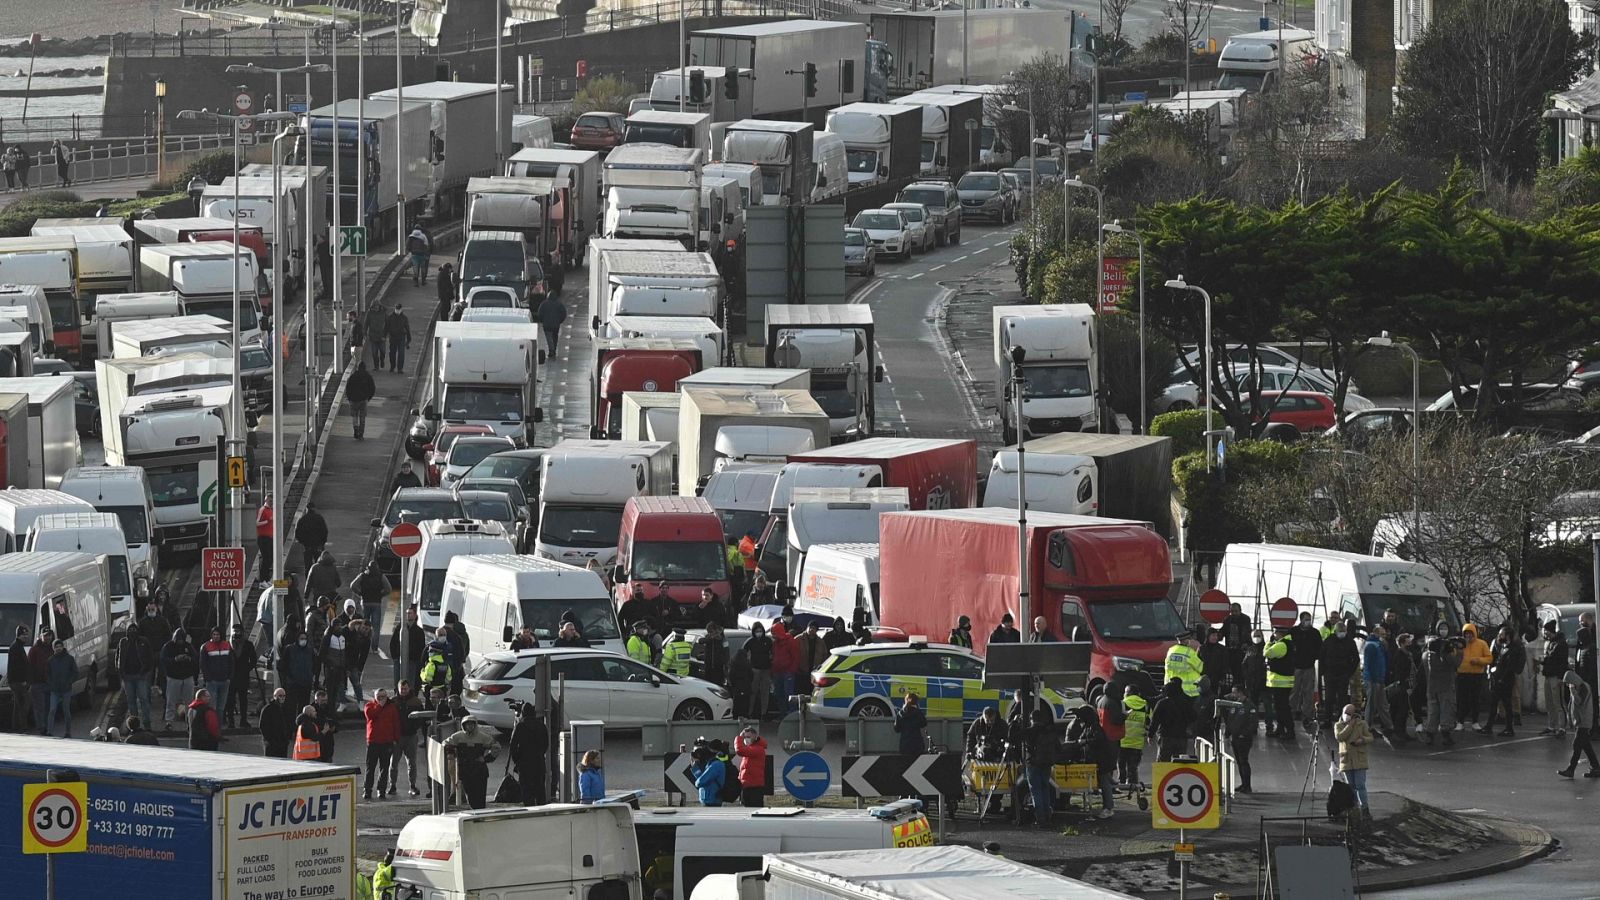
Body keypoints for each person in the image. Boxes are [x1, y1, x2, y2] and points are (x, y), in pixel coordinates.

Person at [1484, 625, 1526, 737]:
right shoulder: (1503, 647)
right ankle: (1490, 726)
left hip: (1505, 680)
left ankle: (1509, 728)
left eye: (1501, 634)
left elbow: (1509, 667)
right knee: (1495, 703)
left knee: (1507, 704)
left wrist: (1502, 678)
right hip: (1499, 678)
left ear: (1507, 636)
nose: (1499, 636)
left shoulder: (1512, 649)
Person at [1319, 619, 1360, 730]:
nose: (1342, 633)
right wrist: (1323, 672)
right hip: (1330, 674)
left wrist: (1349, 672)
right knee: (1329, 698)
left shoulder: (1350, 642)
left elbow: (1355, 659)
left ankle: (1342, 720)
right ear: (1336, 631)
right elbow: (1322, 657)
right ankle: (1327, 719)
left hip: (1343, 674)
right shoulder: (1328, 641)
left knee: (1342, 699)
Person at [1558, 669, 1600, 778]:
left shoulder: (1583, 687)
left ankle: (1571, 769)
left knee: (1576, 744)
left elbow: (1579, 702)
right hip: (1581, 721)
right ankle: (1596, 767)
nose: (1568, 685)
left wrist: (1573, 692)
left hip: (1584, 721)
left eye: (1568, 683)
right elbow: (1572, 707)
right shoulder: (1578, 687)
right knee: (1586, 746)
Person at [1334, 703, 1373, 816]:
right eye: (1345, 713)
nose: (1347, 715)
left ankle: (1365, 808)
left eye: (1349, 714)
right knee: (1350, 787)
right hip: (1346, 760)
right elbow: (1340, 737)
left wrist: (1363, 740)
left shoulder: (1362, 724)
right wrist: (1349, 726)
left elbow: (1370, 737)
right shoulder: (1338, 725)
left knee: (1360, 785)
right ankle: (1354, 807)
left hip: (1359, 759)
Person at [1021, 708, 1058, 825]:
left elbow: (1012, 737)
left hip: (1033, 764)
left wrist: (1015, 723)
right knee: (1045, 789)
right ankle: (1048, 816)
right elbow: (1059, 747)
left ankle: (1040, 819)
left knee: (1035, 791)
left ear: (1031, 719)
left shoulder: (1029, 731)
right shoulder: (1050, 731)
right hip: (1046, 764)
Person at [117, 625, 156, 732]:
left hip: (141, 676)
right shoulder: (123, 642)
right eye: (130, 630)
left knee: (144, 700)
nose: (132, 632)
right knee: (131, 701)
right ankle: (133, 726)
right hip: (127, 677)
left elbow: (150, 657)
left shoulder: (144, 641)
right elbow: (118, 657)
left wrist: (147, 672)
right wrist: (121, 672)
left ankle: (147, 725)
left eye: (134, 630)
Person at [509, 703, 550, 805]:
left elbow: (513, 746)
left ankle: (529, 810)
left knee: (526, 791)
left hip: (524, 763)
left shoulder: (520, 726)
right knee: (540, 790)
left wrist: (517, 760)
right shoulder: (541, 726)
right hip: (539, 762)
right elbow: (546, 744)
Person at [363, 689, 400, 800]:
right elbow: (371, 715)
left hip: (387, 742)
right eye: (378, 697)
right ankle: (367, 790)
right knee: (370, 767)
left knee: (384, 768)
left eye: (383, 696)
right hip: (373, 742)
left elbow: (396, 724)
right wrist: (379, 705)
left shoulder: (392, 708)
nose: (381, 699)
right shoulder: (369, 706)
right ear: (375, 697)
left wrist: (396, 739)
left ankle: (381, 790)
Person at [391, 680, 426, 797]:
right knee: (393, 763)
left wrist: (414, 727)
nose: (404, 691)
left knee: (412, 763)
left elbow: (421, 717)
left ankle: (412, 785)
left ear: (409, 688)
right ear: (398, 688)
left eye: (405, 689)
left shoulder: (416, 701)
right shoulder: (393, 701)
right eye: (402, 689)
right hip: (397, 737)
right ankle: (392, 785)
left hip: (411, 736)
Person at [1290, 612, 1323, 731]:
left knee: (1308, 692)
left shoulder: (1314, 633)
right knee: (1294, 691)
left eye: (1310, 619)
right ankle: (1292, 713)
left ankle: (1307, 716)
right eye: (1306, 619)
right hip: (1296, 666)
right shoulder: (1293, 632)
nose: (1308, 621)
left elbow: (1320, 648)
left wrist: (1314, 656)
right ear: (1301, 620)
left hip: (1309, 666)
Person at [159, 628, 197, 731]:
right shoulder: (168, 647)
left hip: (187, 677)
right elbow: (163, 660)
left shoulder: (188, 646)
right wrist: (175, 659)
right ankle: (169, 722)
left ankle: (189, 722)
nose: (180, 641)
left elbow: (195, 658)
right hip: (173, 677)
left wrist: (188, 659)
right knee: (171, 701)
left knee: (189, 702)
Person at [1456, 623, 1492, 729]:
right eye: (1466, 634)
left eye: (1470, 634)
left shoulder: (1482, 644)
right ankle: (1460, 721)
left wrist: (1478, 660)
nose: (1468, 636)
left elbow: (1489, 658)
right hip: (1462, 674)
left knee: (1475, 699)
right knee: (1461, 699)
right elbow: (1454, 656)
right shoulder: (1459, 644)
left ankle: (1475, 721)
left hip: (1476, 675)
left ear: (1474, 633)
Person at [1150, 678, 1196, 762]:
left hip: (1165, 736)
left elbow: (1155, 720)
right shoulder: (1186, 701)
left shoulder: (1162, 703)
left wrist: (1150, 734)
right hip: (1181, 736)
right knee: (1179, 762)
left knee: (1163, 762)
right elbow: (1193, 717)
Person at [1223, 684, 1258, 792]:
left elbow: (1253, 723)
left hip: (1243, 739)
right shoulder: (1234, 705)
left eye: (1234, 692)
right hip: (1235, 738)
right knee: (1239, 761)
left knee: (1243, 761)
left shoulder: (1249, 706)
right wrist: (1227, 734)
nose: (1232, 694)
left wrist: (1244, 734)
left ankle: (1247, 786)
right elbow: (1230, 720)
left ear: (1240, 692)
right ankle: (1243, 784)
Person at [1264, 626, 1297, 739]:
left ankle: (1289, 730)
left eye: (1275, 633)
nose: (1274, 635)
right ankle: (1281, 728)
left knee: (1282, 707)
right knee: (1280, 707)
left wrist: (1269, 642)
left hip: (1281, 682)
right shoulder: (1288, 643)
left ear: (1279, 634)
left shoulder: (1281, 644)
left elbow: (1267, 653)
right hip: (1283, 682)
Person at [1361, 626, 1393, 739]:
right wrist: (1374, 678)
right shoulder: (1371, 646)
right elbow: (1368, 665)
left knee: (1382, 703)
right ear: (1377, 634)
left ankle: (1388, 725)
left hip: (1379, 678)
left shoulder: (1379, 645)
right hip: (1373, 680)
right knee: (1372, 704)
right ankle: (1367, 727)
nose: (1384, 637)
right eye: (1382, 634)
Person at [1542, 620, 1571, 737]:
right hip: (1548, 675)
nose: (1544, 633)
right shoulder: (1550, 643)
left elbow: (1562, 662)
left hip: (1555, 676)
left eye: (1545, 631)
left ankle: (1562, 727)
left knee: (1558, 702)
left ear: (1550, 631)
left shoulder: (1561, 644)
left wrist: (1560, 678)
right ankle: (1552, 726)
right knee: (1549, 703)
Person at [44, 639, 78, 737]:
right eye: (56, 647)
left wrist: (69, 682)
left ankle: (68, 732)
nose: (58, 648)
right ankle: (49, 732)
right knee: (52, 710)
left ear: (63, 647)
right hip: (54, 690)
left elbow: (75, 673)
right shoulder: (50, 660)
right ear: (53, 648)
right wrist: (50, 684)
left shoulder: (69, 659)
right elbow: (47, 674)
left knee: (66, 711)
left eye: (60, 646)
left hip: (66, 690)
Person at [227, 623, 258, 728]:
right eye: (234, 631)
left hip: (243, 676)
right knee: (230, 700)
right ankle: (230, 721)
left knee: (243, 699)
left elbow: (253, 659)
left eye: (238, 631)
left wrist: (247, 668)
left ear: (242, 632)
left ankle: (243, 720)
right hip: (231, 676)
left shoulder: (248, 645)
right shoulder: (228, 645)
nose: (236, 633)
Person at [1163, 631, 1203, 704]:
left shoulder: (1171, 651)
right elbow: (1201, 668)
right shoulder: (1189, 653)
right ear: (1186, 641)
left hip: (1172, 690)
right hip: (1189, 692)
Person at [1118, 691, 1148, 786]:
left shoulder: (1122, 704)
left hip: (1122, 741)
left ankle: (1121, 785)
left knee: (1121, 766)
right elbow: (1149, 722)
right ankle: (1133, 786)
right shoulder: (1145, 705)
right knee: (1133, 767)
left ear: (1126, 693)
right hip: (1137, 742)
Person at [745, 621, 774, 720]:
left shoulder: (768, 641)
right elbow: (743, 653)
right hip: (755, 669)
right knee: (752, 692)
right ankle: (750, 713)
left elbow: (773, 653)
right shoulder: (750, 641)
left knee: (765, 692)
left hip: (766, 670)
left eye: (760, 631)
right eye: (757, 631)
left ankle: (764, 713)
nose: (759, 633)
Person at [734, 725, 768, 807]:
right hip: (747, 785)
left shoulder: (758, 749)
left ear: (755, 737)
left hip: (754, 787)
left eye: (748, 737)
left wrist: (739, 738)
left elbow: (739, 750)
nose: (746, 739)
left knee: (754, 810)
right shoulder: (750, 748)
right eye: (745, 737)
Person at [770, 621, 800, 714]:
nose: (773, 636)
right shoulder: (776, 643)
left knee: (788, 694)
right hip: (778, 672)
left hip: (788, 672)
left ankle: (791, 714)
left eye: (774, 633)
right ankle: (782, 713)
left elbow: (796, 657)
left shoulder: (790, 641)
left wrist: (791, 670)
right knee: (779, 694)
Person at [260, 687, 294, 757]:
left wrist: (287, 739)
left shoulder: (285, 708)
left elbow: (289, 724)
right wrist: (270, 740)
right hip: (271, 744)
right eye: (280, 696)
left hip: (283, 744)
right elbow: (263, 726)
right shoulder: (268, 709)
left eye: (284, 696)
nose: (282, 698)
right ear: (274, 696)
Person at [7, 626, 30, 733]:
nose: (26, 637)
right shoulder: (16, 647)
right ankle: (21, 727)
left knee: (19, 704)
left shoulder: (18, 646)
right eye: (23, 635)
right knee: (22, 705)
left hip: (16, 681)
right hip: (17, 682)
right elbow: (17, 667)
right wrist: (23, 680)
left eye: (26, 635)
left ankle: (18, 727)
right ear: (18, 635)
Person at [346, 617, 373, 704]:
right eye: (364, 628)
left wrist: (360, 670)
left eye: (367, 630)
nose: (365, 631)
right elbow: (349, 626)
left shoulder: (367, 640)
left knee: (356, 683)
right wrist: (357, 621)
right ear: (360, 626)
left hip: (354, 663)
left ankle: (360, 702)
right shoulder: (353, 632)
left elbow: (363, 657)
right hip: (344, 660)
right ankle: (342, 701)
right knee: (341, 684)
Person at [347, 361, 376, 440]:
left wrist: (349, 398)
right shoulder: (368, 376)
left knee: (354, 415)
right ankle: (361, 434)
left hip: (353, 400)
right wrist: (368, 398)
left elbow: (348, 388)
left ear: (358, 367)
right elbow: (372, 389)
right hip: (363, 400)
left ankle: (355, 428)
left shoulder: (353, 376)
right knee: (362, 417)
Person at [894, 692, 927, 757]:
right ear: (916, 702)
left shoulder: (900, 713)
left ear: (905, 700)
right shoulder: (918, 713)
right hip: (917, 743)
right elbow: (924, 724)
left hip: (905, 744)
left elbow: (896, 729)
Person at [313, 689, 340, 761]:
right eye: (322, 701)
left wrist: (334, 728)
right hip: (317, 743)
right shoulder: (312, 710)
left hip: (328, 742)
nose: (324, 703)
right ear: (316, 701)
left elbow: (336, 721)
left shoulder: (329, 708)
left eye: (325, 700)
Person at [364, 303, 390, 372]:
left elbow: (388, 324)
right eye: (374, 306)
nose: (376, 308)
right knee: (374, 353)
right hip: (373, 336)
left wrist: (386, 335)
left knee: (383, 351)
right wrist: (365, 333)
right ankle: (376, 366)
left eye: (377, 306)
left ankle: (382, 360)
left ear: (379, 306)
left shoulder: (383, 313)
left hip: (382, 336)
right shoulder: (370, 314)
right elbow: (366, 324)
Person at [387, 304, 412, 373]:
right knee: (392, 353)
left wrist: (409, 339)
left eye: (399, 309)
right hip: (393, 337)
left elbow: (407, 328)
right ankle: (392, 366)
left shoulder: (404, 318)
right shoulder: (390, 317)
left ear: (401, 309)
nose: (397, 310)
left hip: (401, 338)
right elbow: (386, 327)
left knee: (401, 354)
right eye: (396, 309)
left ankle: (400, 368)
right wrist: (384, 335)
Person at [255, 496, 275, 585]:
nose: (271, 502)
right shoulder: (263, 509)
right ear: (266, 500)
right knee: (266, 558)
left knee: (270, 558)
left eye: (272, 500)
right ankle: (262, 580)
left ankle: (266, 579)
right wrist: (267, 521)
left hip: (270, 537)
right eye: (270, 500)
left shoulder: (271, 510)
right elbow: (257, 523)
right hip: (263, 538)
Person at [314, 234, 333, 302]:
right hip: (322, 265)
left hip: (328, 265)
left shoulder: (327, 244)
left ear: (322, 238)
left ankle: (330, 294)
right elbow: (316, 252)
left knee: (329, 279)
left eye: (318, 238)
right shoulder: (319, 246)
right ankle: (326, 293)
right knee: (324, 279)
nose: (317, 240)